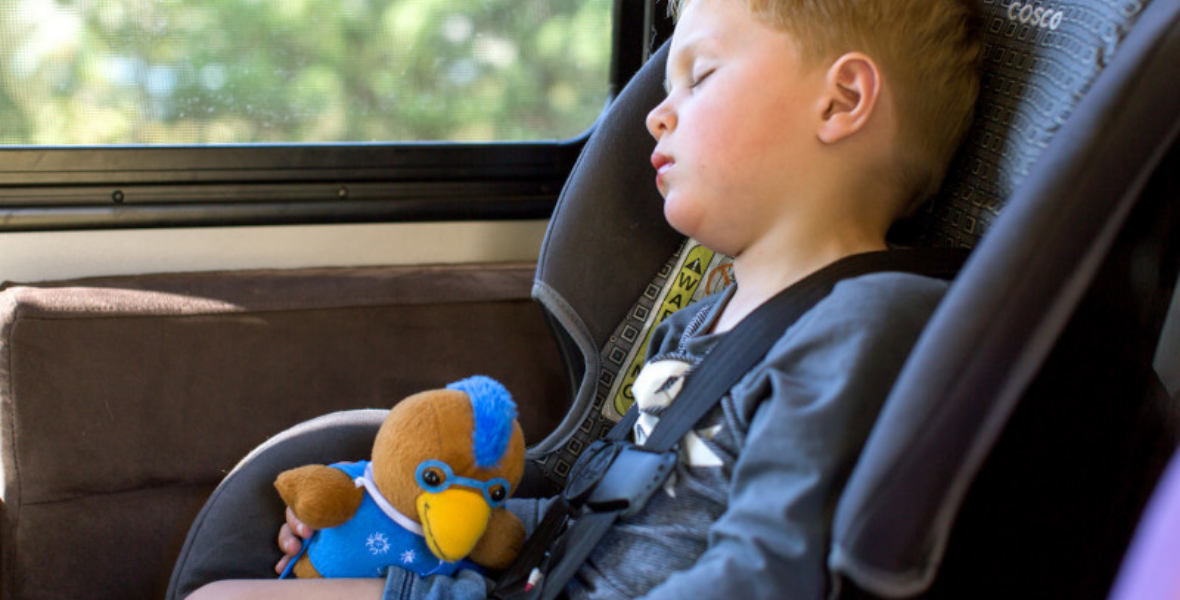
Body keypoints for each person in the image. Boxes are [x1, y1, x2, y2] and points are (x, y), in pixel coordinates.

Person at [187, 0, 980, 597]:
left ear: (842, 102)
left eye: (699, 77)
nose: (655, 114)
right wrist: (393, 518)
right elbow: (592, 512)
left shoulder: (865, 321)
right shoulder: (698, 321)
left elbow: (764, 571)